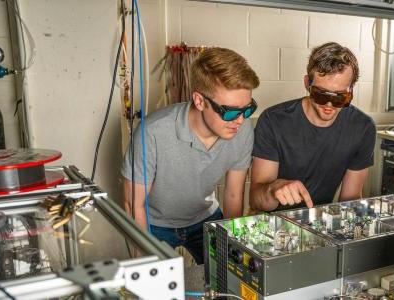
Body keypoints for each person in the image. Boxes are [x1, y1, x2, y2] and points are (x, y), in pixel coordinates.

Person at [121, 47, 259, 264]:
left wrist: (233, 254)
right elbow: (133, 205)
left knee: (230, 276)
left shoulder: (243, 129)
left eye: (248, 109)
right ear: (200, 100)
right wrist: (144, 267)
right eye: (231, 112)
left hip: (204, 217)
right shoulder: (153, 132)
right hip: (155, 223)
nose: (240, 121)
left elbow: (233, 195)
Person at [249, 42, 376, 212]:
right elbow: (256, 201)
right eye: (321, 95)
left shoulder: (362, 127)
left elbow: (349, 199)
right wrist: (273, 190)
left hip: (320, 220)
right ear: (307, 83)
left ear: (351, 90)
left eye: (340, 97)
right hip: (271, 221)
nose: (329, 104)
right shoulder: (274, 120)